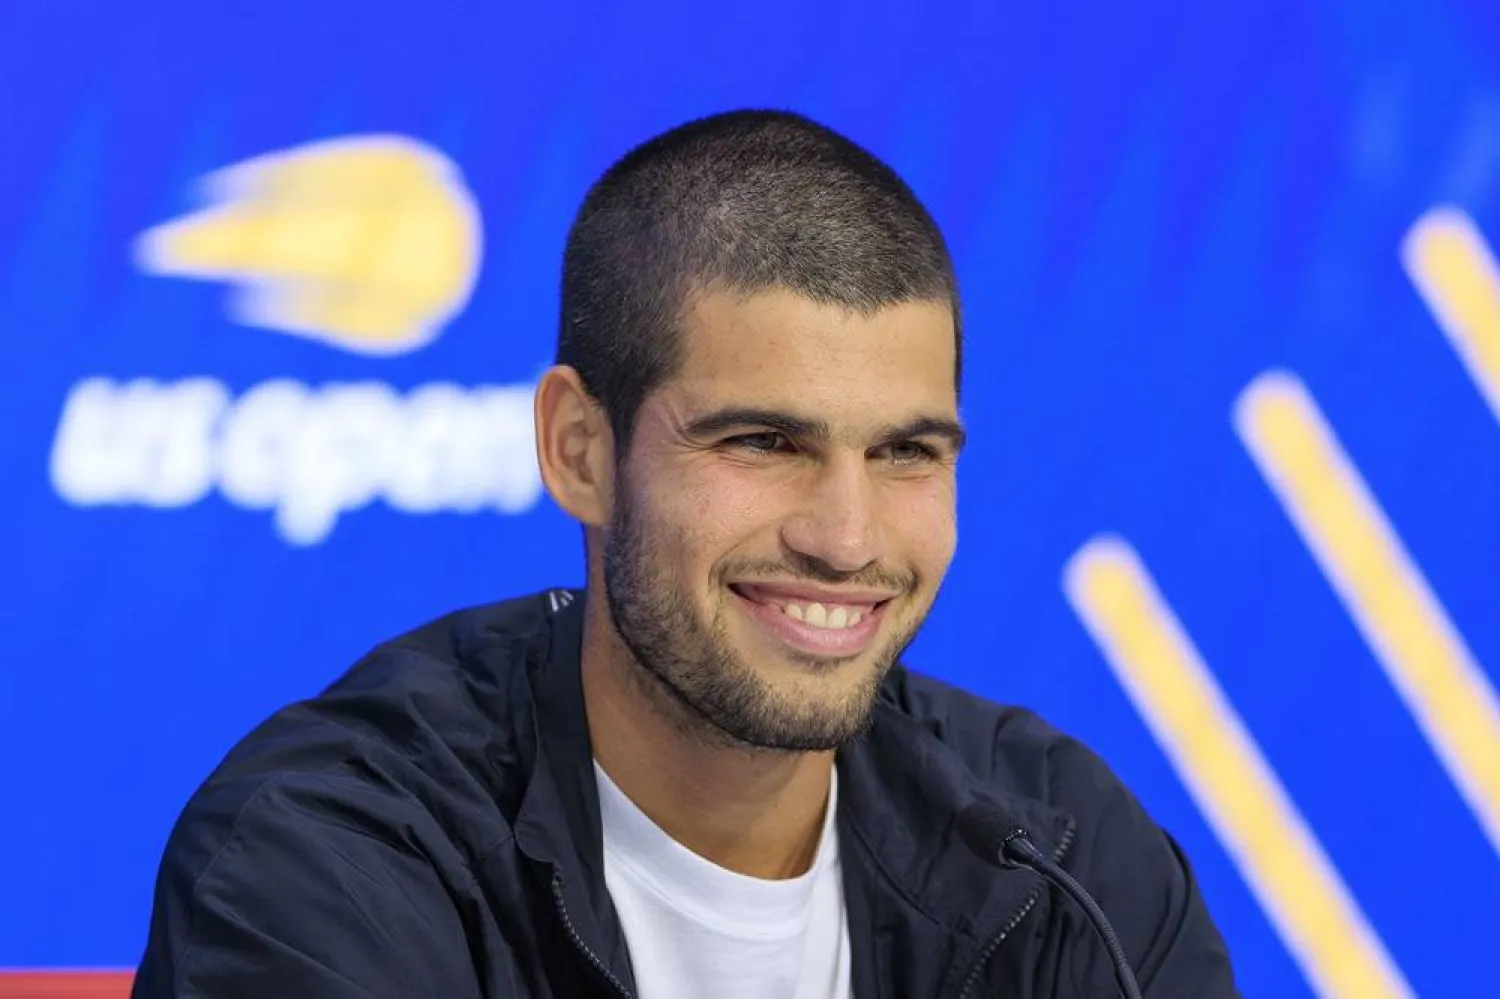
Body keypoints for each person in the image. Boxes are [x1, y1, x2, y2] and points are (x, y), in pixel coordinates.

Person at [132, 109, 1240, 998]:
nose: (846, 539)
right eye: (763, 442)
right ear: (580, 451)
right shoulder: (335, 855)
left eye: (906, 451)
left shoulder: (1058, 853)